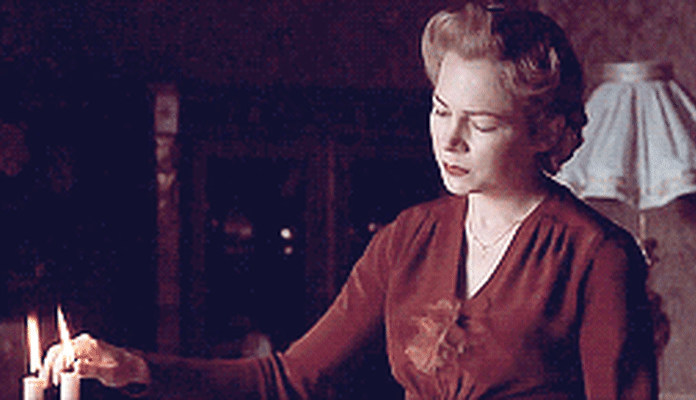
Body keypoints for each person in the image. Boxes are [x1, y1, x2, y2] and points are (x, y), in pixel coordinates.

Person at [42, 3, 657, 399]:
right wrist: (134, 366)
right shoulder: (409, 236)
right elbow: (290, 378)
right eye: (441, 110)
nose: (450, 139)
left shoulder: (596, 255)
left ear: (543, 130)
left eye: (483, 123)